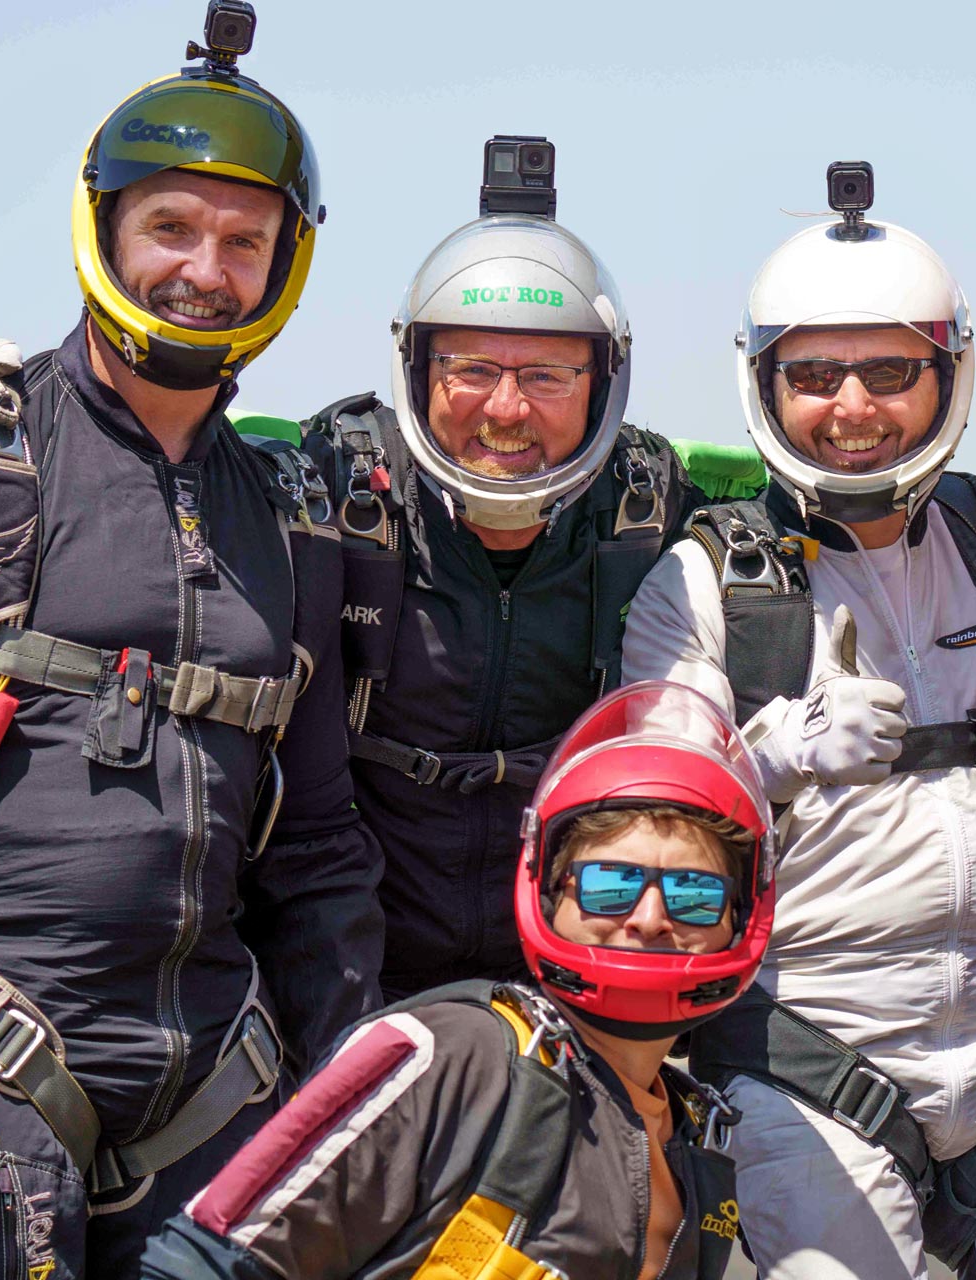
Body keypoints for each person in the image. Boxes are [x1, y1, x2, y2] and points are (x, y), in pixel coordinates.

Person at [0, 13, 382, 1278]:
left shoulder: (291, 513)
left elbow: (325, 841)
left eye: (245, 241)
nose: (205, 269)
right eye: (172, 227)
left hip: (215, 1087)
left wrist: (345, 1069)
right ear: (108, 228)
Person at [620, 172, 976, 1280]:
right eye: (814, 374)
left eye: (891, 370)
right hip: (810, 1060)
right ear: (767, 384)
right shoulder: (707, 585)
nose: (852, 405)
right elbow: (648, 825)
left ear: (948, 374)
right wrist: (769, 754)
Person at [139, 680, 770, 1280]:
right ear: (552, 894)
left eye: (694, 893)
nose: (649, 919)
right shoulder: (453, 1052)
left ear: (737, 919)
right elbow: (206, 1262)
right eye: (611, 886)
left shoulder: (697, 1133)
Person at [291, 133, 698, 999]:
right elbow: (168, 479)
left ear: (603, 384)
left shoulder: (651, 506)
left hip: (569, 976)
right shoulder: (330, 489)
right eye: (470, 368)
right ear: (416, 368)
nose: (506, 409)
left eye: (548, 374)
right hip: (353, 980)